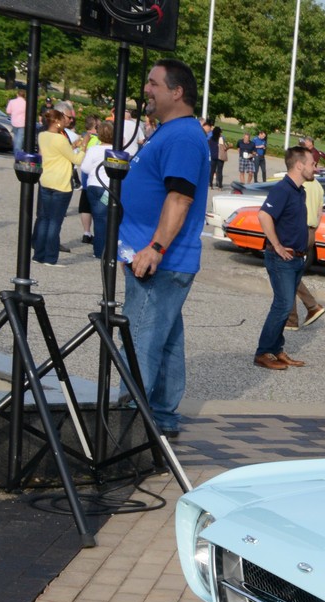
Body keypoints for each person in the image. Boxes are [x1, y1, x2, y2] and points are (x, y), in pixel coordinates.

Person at [118, 59, 210, 439]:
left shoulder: (184, 137)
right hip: (154, 258)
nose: (146, 90)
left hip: (159, 261)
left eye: (154, 84)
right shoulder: (171, 132)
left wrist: (155, 247)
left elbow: (180, 197)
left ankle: (128, 424)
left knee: (141, 338)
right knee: (167, 338)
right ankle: (161, 416)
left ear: (177, 92)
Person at [253, 145, 317, 371]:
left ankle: (277, 349)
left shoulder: (300, 191)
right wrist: (277, 245)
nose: (315, 168)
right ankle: (263, 353)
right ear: (300, 165)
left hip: (297, 259)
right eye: (312, 164)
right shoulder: (283, 189)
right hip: (281, 259)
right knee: (282, 306)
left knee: (285, 305)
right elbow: (264, 215)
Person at [32, 107, 82, 264]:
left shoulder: (43, 136)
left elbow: (57, 151)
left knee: (44, 218)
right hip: (60, 183)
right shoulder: (60, 139)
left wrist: (73, 146)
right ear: (58, 122)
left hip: (46, 179)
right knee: (55, 221)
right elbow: (77, 160)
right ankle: (51, 257)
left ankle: (38, 254)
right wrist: (84, 146)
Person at [287, 145, 325, 330]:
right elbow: (319, 213)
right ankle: (293, 317)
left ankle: (309, 307)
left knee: (289, 273)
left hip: (299, 230)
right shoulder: (319, 187)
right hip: (311, 231)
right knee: (292, 272)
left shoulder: (301, 184)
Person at [80, 120, 113, 259]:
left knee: (99, 219)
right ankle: (109, 249)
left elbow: (85, 168)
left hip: (94, 184)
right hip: (110, 187)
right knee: (109, 218)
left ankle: (99, 250)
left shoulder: (93, 150)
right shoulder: (117, 151)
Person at [6, 87, 26, 153]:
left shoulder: (12, 102)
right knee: (20, 138)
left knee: (15, 137)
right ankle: (18, 152)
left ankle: (15, 151)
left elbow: (8, 111)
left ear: (17, 94)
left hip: (14, 121)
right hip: (22, 122)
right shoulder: (26, 103)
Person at [206, 118, 225, 187]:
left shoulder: (211, 139)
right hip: (220, 157)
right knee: (219, 171)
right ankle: (220, 185)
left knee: (212, 171)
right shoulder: (220, 139)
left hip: (213, 156)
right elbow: (223, 147)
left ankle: (210, 184)